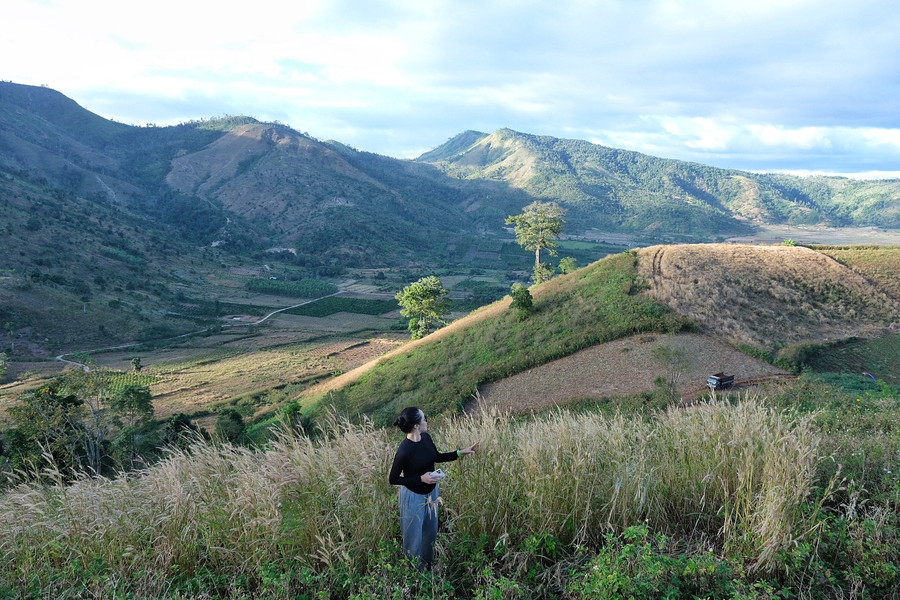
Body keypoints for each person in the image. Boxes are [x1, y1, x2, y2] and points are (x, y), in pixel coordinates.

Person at [389, 407, 478, 570]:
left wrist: (461, 452)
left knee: (430, 532)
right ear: (416, 425)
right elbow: (393, 479)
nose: (426, 421)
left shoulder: (426, 438)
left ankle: (427, 566)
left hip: (432, 493)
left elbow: (436, 456)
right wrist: (420, 478)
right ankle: (414, 573)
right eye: (424, 418)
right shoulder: (404, 450)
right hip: (413, 496)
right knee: (413, 537)